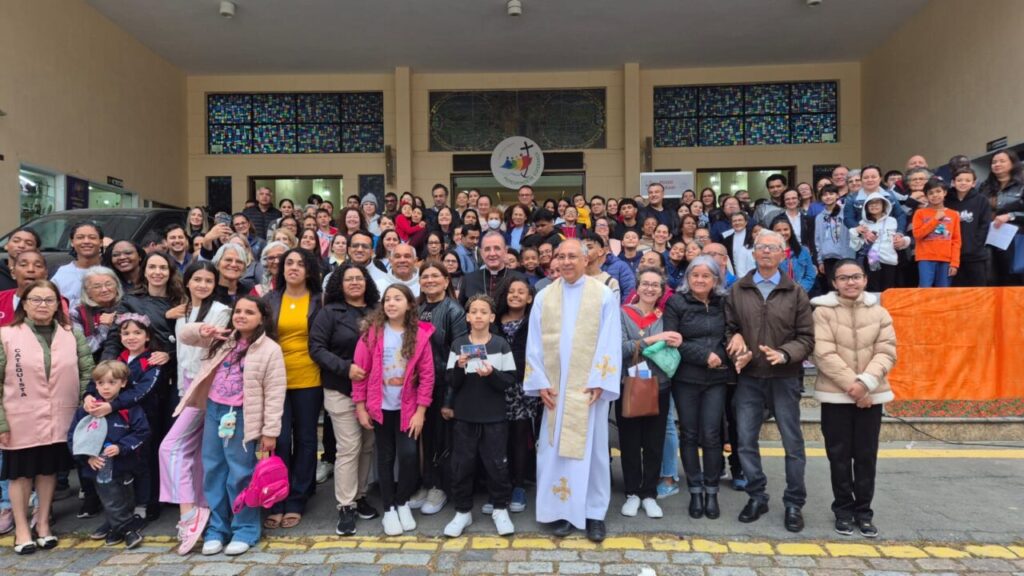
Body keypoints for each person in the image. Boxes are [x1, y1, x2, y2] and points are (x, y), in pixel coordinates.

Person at [524, 239, 622, 542]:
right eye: (560, 256)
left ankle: (593, 512)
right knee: (554, 449)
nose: (565, 262)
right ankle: (561, 511)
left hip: (588, 388)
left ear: (585, 259)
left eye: (572, 256)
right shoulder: (544, 297)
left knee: (591, 451)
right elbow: (534, 341)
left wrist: (599, 381)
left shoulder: (603, 294)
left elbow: (610, 339)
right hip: (555, 387)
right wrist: (540, 382)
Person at [175, 296, 286, 556]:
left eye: (249, 312)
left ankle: (245, 528)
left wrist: (270, 432)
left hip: (244, 416)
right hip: (215, 411)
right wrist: (203, 329)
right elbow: (185, 336)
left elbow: (275, 393)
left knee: (241, 473)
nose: (242, 316)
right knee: (213, 469)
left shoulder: (269, 349)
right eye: (238, 311)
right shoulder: (222, 338)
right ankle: (217, 528)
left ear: (262, 318)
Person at [724, 230, 814, 533]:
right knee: (746, 442)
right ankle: (757, 496)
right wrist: (734, 338)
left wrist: (785, 354)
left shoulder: (796, 292)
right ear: (753, 253)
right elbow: (729, 327)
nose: (765, 252)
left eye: (772, 248)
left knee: (793, 444)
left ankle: (793, 502)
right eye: (761, 247)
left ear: (782, 253)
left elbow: (806, 339)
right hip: (749, 377)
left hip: (784, 378)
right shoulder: (738, 289)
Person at [0, 280, 94, 554]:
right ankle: (20, 528)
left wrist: (82, 410)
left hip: (60, 416)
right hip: (20, 416)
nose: (43, 305)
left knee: (48, 470)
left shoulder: (71, 333)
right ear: (25, 304)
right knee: (20, 474)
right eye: (36, 300)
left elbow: (87, 371)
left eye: (49, 300)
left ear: (58, 304)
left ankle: (42, 524)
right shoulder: (6, 335)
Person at [811, 259, 896, 539]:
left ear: (865, 280)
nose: (850, 282)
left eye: (856, 277)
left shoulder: (880, 312)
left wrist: (866, 383)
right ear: (834, 282)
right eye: (844, 278)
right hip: (837, 396)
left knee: (865, 457)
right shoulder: (822, 312)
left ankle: (864, 512)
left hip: (871, 395)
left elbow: (886, 351)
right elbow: (823, 354)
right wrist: (853, 386)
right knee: (838, 456)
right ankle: (843, 511)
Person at [352, 284, 435, 536]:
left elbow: (428, 376)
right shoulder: (373, 333)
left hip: (407, 408)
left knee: (409, 456)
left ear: (409, 304)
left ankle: (402, 501)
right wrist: (360, 407)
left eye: (397, 298)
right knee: (385, 457)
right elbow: (360, 372)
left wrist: (421, 411)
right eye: (387, 299)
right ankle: (389, 508)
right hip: (380, 407)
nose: (391, 303)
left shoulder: (420, 335)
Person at [160, 261, 230, 555]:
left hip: (203, 391)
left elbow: (205, 343)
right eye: (197, 279)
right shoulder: (181, 309)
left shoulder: (221, 312)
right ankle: (203, 506)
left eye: (208, 281)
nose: (202, 284)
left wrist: (202, 329)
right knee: (197, 453)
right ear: (187, 282)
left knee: (170, 448)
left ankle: (189, 514)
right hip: (183, 388)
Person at [310, 264, 381, 536]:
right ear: (340, 283)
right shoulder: (329, 313)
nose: (354, 283)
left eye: (359, 278)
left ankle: (361, 494)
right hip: (341, 388)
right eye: (349, 279)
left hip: (373, 391)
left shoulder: (377, 311)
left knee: (367, 445)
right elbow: (316, 348)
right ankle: (346, 505)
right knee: (349, 446)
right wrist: (344, 367)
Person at [442, 294, 518, 537]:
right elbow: (451, 382)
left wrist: (491, 374)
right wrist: (460, 367)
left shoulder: (500, 345)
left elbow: (509, 381)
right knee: (462, 465)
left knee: (497, 465)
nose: (478, 316)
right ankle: (463, 511)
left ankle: (500, 508)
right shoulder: (458, 344)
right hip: (465, 416)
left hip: (494, 417)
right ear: (467, 316)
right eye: (473, 311)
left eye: (483, 312)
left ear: (492, 317)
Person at [663, 257, 732, 520]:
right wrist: (703, 355)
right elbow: (673, 339)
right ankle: (695, 489)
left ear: (715, 280)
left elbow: (732, 333)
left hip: (716, 377)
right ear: (687, 278)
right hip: (686, 378)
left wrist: (723, 355)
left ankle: (711, 491)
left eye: (706, 276)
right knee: (689, 434)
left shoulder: (723, 303)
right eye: (695, 275)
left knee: (712, 434)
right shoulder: (677, 302)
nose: (700, 280)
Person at [264, 249, 323, 530]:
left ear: (309, 271)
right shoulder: (270, 300)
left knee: (306, 439)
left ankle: (298, 498)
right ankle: (277, 499)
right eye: (289, 263)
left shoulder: (319, 301)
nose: (294, 268)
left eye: (301, 264)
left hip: (309, 378)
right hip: (275, 380)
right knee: (280, 440)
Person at [617, 267, 679, 520]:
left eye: (655, 285)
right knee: (630, 441)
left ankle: (649, 493)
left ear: (662, 290)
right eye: (645, 284)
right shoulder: (622, 314)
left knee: (654, 441)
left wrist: (668, 339)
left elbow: (674, 342)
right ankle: (632, 492)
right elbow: (620, 347)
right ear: (637, 287)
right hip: (629, 384)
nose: (650, 288)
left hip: (659, 385)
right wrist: (654, 340)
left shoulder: (666, 316)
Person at [68, 360, 149, 549]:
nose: (105, 387)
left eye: (112, 382)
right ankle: (127, 530)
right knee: (110, 496)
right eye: (101, 383)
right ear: (95, 384)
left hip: (124, 463)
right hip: (99, 465)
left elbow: (142, 432)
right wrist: (87, 456)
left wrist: (122, 447)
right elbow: (74, 437)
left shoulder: (130, 408)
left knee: (123, 497)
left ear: (122, 383)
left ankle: (114, 525)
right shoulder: (86, 410)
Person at [409, 263, 466, 518]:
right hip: (418, 384)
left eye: (435, 276)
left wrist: (450, 398)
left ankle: (440, 487)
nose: (429, 280)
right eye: (425, 276)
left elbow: (458, 354)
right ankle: (426, 482)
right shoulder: (417, 309)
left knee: (443, 438)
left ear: (446, 281)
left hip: (444, 383)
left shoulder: (454, 310)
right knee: (425, 437)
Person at [492, 277, 536, 514]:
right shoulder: (494, 321)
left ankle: (519, 485)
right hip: (496, 386)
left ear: (530, 298)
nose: (516, 295)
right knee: (497, 438)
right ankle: (499, 486)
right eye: (511, 291)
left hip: (522, 386)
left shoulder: (533, 322)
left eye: (521, 292)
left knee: (520, 436)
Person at [980, 150, 1024, 285]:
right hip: (989, 239)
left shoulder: (1021, 186)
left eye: (1002, 161)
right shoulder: (984, 187)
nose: (997, 164)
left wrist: (1011, 216)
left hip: (1015, 239)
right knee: (991, 279)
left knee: (1013, 279)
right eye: (994, 162)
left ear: (1013, 163)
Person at [946, 168, 992, 287]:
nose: (963, 183)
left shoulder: (981, 200)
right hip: (951, 256)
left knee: (978, 290)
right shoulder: (946, 201)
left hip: (975, 255)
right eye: (959, 180)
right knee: (956, 291)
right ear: (953, 182)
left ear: (973, 183)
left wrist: (975, 245)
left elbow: (984, 225)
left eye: (967, 180)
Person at [913, 178, 961, 288]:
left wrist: (954, 263)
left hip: (946, 259)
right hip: (925, 258)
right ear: (926, 196)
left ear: (945, 192)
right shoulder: (920, 213)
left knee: (943, 292)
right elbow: (917, 234)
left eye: (938, 191)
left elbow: (956, 240)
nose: (935, 195)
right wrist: (935, 219)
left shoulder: (953, 214)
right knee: (924, 289)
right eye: (931, 193)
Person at [850, 194, 901, 293]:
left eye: (877, 203)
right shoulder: (862, 223)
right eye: (871, 204)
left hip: (889, 258)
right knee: (873, 287)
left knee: (889, 289)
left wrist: (902, 240)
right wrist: (855, 231)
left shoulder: (892, 221)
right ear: (866, 207)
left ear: (884, 205)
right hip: (872, 258)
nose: (874, 206)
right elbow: (855, 246)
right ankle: (874, 308)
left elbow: (896, 238)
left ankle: (887, 308)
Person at [459, 232, 525, 306]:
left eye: (497, 248)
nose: (492, 253)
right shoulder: (469, 280)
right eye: (487, 249)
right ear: (481, 253)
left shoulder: (519, 279)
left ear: (505, 251)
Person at [51, 222, 105, 307]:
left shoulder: (109, 273)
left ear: (101, 242)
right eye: (80, 237)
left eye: (92, 237)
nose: (86, 241)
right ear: (72, 242)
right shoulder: (61, 273)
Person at [814, 185, 855, 283]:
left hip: (846, 256)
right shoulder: (819, 217)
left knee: (847, 285)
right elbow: (818, 240)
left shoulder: (846, 212)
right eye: (824, 195)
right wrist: (820, 261)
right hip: (828, 258)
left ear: (837, 195)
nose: (828, 197)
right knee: (832, 287)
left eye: (831, 194)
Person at [771, 217, 817, 294]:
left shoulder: (803, 251)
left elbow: (810, 275)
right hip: (777, 295)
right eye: (778, 230)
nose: (783, 233)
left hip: (799, 294)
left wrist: (799, 290)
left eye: (786, 229)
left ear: (791, 231)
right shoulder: (767, 252)